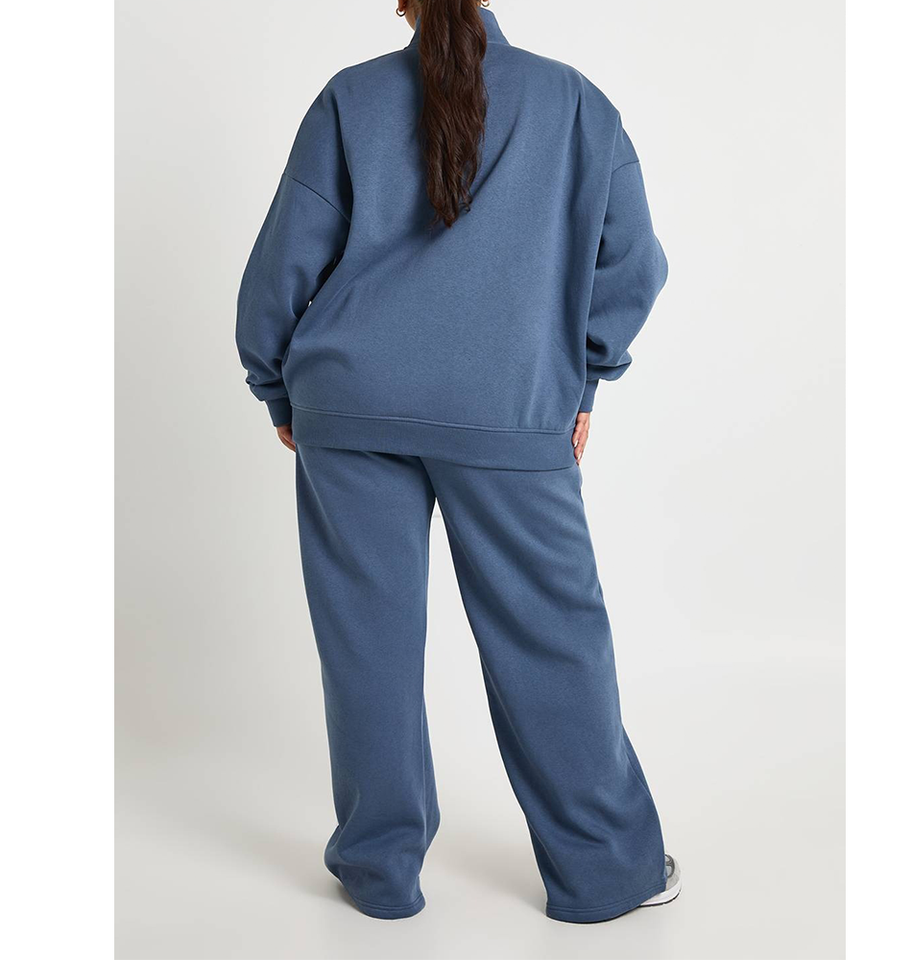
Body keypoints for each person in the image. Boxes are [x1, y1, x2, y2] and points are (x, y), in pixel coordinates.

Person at [237, 0, 677, 923]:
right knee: (553, 640)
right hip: (511, 413)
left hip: (350, 408)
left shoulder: (350, 99)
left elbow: (283, 264)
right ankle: (605, 872)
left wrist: (278, 386)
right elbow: (633, 263)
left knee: (367, 648)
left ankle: (379, 874)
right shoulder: (574, 103)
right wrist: (582, 380)